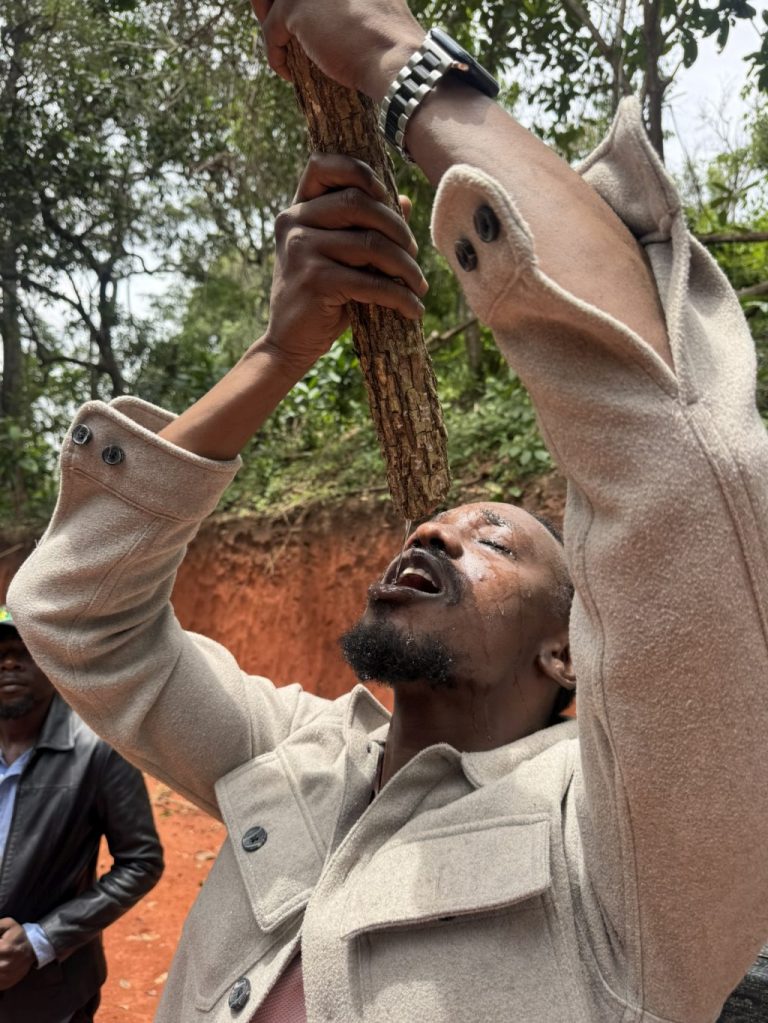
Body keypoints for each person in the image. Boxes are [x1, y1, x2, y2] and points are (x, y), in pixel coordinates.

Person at [7, 0, 768, 1017]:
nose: (439, 530)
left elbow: (681, 467)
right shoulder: (294, 754)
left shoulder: (627, 846)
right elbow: (74, 617)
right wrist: (279, 351)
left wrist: (395, 58)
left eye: (496, 541)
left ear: (568, 652)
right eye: (440, 526)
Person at [0, 606, 164, 1023]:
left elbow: (141, 862)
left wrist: (40, 940)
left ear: (53, 662)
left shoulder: (98, 751)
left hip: (49, 992)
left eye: (25, 650)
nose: (9, 662)